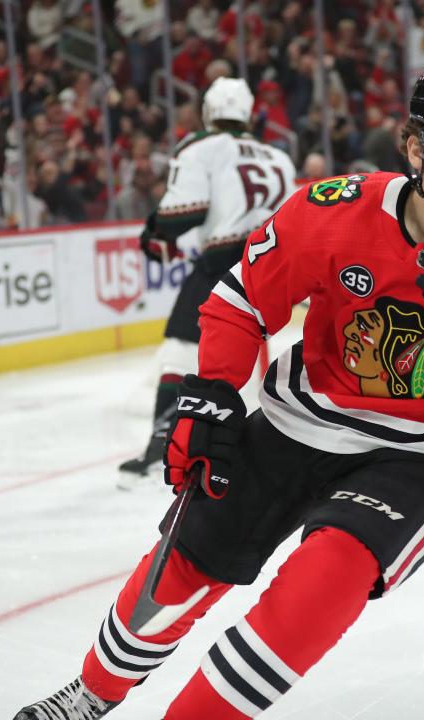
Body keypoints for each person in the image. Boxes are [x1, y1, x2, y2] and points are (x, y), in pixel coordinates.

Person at [13, 61, 424, 720]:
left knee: (320, 587)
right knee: (185, 563)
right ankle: (90, 695)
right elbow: (239, 298)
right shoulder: (336, 212)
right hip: (296, 422)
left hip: (418, 457)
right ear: (415, 148)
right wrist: (210, 392)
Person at [116, 77, 296, 487]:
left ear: (208, 112)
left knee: (181, 348)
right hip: (274, 262)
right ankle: (261, 446)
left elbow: (183, 210)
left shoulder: (201, 146)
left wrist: (156, 235)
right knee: (255, 355)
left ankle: (163, 441)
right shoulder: (279, 157)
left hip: (222, 261)